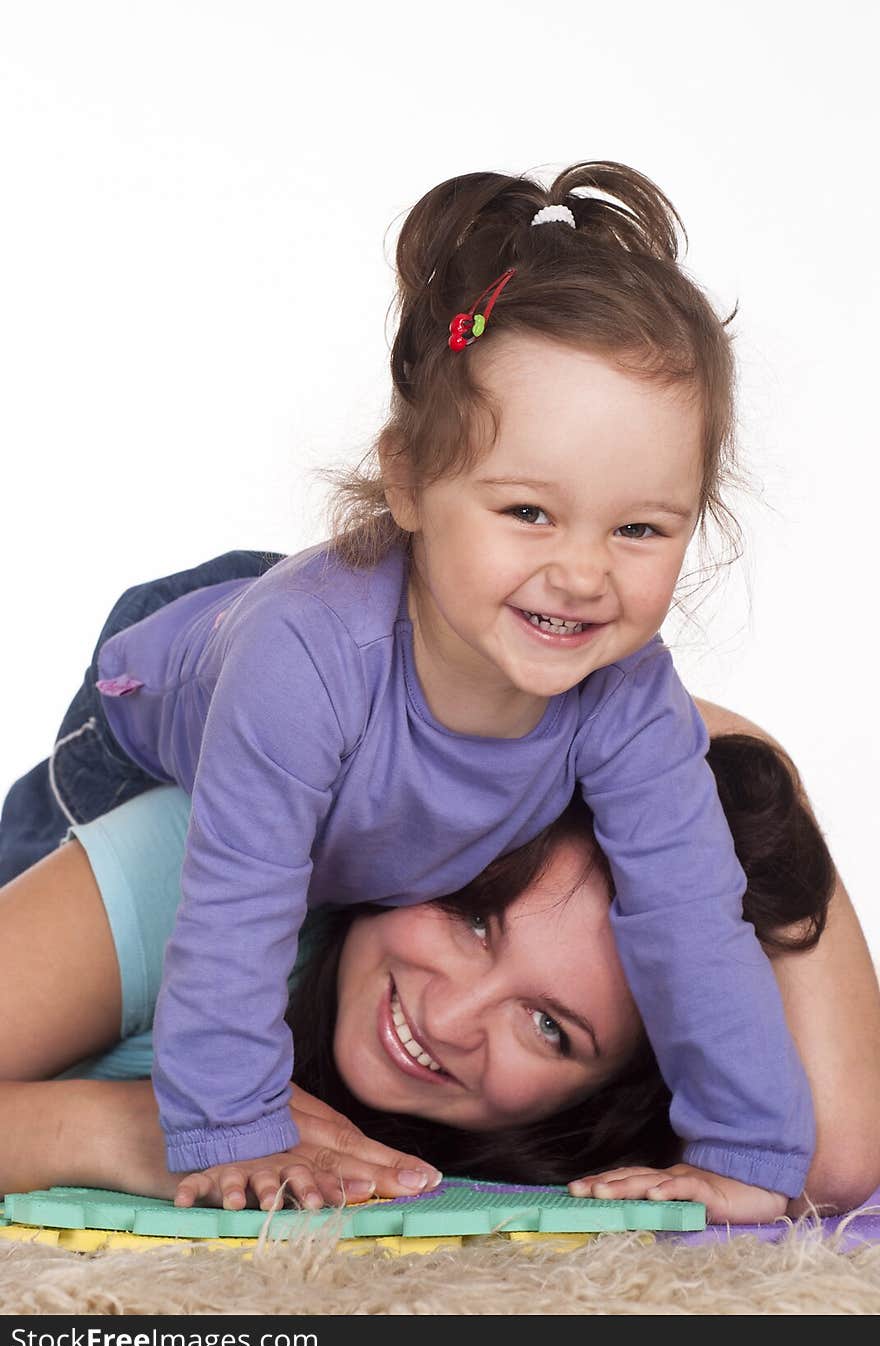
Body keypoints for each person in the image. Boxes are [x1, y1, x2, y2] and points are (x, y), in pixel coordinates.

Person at [0, 160, 819, 1216]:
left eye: (639, 528)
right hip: (169, 706)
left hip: (360, 767)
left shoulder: (625, 696)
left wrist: (746, 1148)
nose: (582, 572)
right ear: (406, 481)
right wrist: (231, 1132)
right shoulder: (303, 662)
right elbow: (239, 894)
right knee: (107, 967)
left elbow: (691, 918)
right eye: (529, 510)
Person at [2, 725, 879, 1225]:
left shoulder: (571, 1141)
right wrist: (122, 1130)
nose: (453, 1016)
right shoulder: (208, 861)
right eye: (472, 914)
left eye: (550, 1027)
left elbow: (833, 1165)